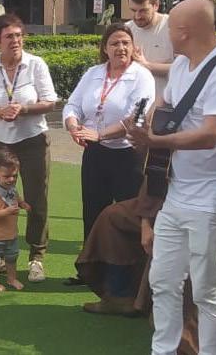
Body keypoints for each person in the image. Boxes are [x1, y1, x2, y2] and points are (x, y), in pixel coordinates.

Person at [125, 0, 216, 355]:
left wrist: (156, 140)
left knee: (208, 290)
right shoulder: (179, 66)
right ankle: (163, 350)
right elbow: (164, 110)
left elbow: (211, 134)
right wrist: (142, 125)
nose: (166, 35)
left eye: (170, 29)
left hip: (214, 198)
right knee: (163, 281)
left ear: (184, 32)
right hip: (176, 192)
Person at [0, 14, 57, 282]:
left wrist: (25, 109)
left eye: (19, 36)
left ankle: (37, 257)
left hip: (33, 140)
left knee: (35, 199)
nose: (16, 41)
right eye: (9, 36)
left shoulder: (36, 64)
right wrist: (0, 112)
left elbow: (50, 102)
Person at [64, 23, 155, 241]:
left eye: (126, 43)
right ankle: (92, 262)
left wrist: (101, 135)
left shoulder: (142, 76)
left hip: (128, 155)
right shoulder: (93, 73)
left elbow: (137, 117)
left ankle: (129, 263)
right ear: (105, 48)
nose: (121, 48)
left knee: (129, 215)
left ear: (133, 47)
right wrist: (74, 127)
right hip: (95, 153)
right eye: (115, 43)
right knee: (93, 213)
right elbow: (72, 105)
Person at [0, 153, 32, 292]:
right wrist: (7, 211)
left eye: (15, 176)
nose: (11, 179)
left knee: (12, 258)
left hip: (11, 234)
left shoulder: (11, 187)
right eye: (7, 176)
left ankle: (11, 278)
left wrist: (22, 203)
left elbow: (16, 196)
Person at [126, 0, 175, 100]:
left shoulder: (172, 27)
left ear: (156, 5)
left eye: (143, 10)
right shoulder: (126, 30)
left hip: (166, 104)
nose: (137, 16)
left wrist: (147, 66)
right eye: (133, 10)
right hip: (133, 104)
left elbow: (186, 68)